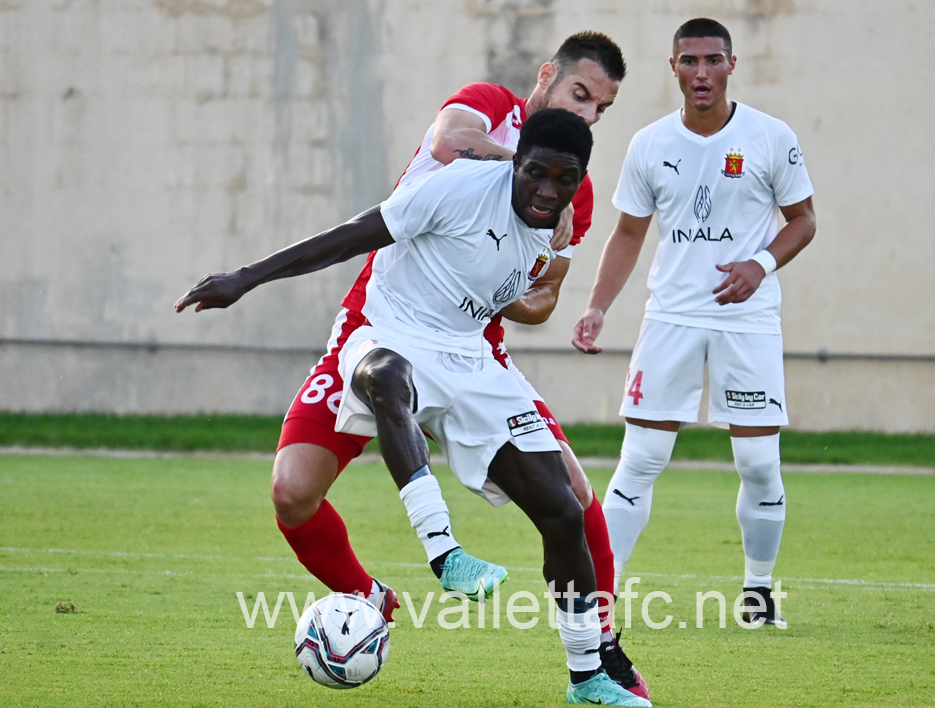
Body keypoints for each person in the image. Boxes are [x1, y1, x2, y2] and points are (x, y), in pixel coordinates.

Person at [176, 109, 651, 707]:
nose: (546, 191)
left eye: (564, 179)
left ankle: (588, 678)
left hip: (469, 357)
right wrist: (246, 277)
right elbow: (349, 235)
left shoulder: (554, 227)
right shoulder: (457, 188)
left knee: (561, 510)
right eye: (535, 173)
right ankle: (443, 552)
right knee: (385, 377)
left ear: (581, 177)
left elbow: (529, 294)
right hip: (388, 330)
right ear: (516, 159)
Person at [572, 18, 816, 628]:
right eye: (689, 61)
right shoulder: (651, 144)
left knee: (759, 464)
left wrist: (760, 265)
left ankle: (757, 594)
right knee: (642, 457)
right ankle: (604, 596)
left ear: (732, 65)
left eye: (712, 61)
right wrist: (597, 306)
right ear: (674, 68)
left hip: (748, 320)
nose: (701, 73)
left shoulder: (770, 136)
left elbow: (804, 219)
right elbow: (628, 234)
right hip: (672, 318)